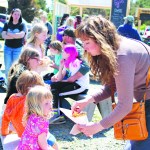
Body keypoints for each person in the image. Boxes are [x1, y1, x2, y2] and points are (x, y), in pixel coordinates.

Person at [71, 15, 150, 150]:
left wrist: (97, 127)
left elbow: (125, 105)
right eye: (82, 43)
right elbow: (110, 88)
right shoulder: (118, 47)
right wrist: (88, 100)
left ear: (101, 38)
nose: (84, 48)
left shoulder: (122, 56)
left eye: (87, 42)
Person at [50, 44, 89, 122]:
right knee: (54, 87)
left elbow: (71, 80)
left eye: (64, 51)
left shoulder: (75, 62)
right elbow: (59, 78)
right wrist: (60, 67)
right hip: (74, 84)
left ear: (69, 53)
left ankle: (56, 114)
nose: (62, 53)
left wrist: (60, 81)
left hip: (80, 87)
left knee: (55, 91)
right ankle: (59, 114)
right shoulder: (67, 62)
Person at [1, 70, 45, 137]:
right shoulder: (30, 100)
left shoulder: (12, 97)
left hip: (20, 132)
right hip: (31, 135)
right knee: (53, 143)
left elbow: (5, 117)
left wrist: (4, 132)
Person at [17, 85, 58, 150]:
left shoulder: (32, 115)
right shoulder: (42, 121)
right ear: (36, 106)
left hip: (25, 145)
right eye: (46, 103)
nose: (51, 105)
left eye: (51, 101)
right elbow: (42, 142)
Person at [2, 8, 27, 77]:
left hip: (18, 49)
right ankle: (7, 84)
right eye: (15, 14)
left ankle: (13, 83)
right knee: (7, 67)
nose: (17, 16)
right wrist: (16, 36)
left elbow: (22, 35)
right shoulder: (7, 24)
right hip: (7, 48)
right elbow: (3, 35)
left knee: (15, 67)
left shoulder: (22, 25)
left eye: (18, 15)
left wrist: (9, 34)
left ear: (20, 16)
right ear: (12, 15)